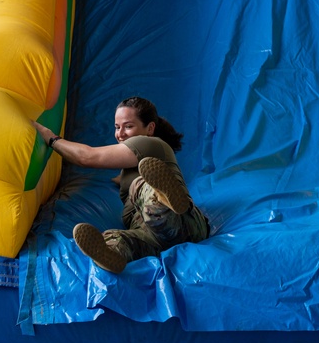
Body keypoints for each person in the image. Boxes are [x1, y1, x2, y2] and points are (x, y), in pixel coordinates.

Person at [32, 96, 209, 274]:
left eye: (128, 126)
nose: (120, 134)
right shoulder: (135, 163)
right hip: (155, 238)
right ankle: (112, 253)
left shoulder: (151, 143)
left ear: (150, 128)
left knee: (139, 185)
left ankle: (161, 199)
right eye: (117, 127)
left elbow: (87, 156)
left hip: (182, 221)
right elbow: (124, 176)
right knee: (116, 238)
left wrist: (51, 139)